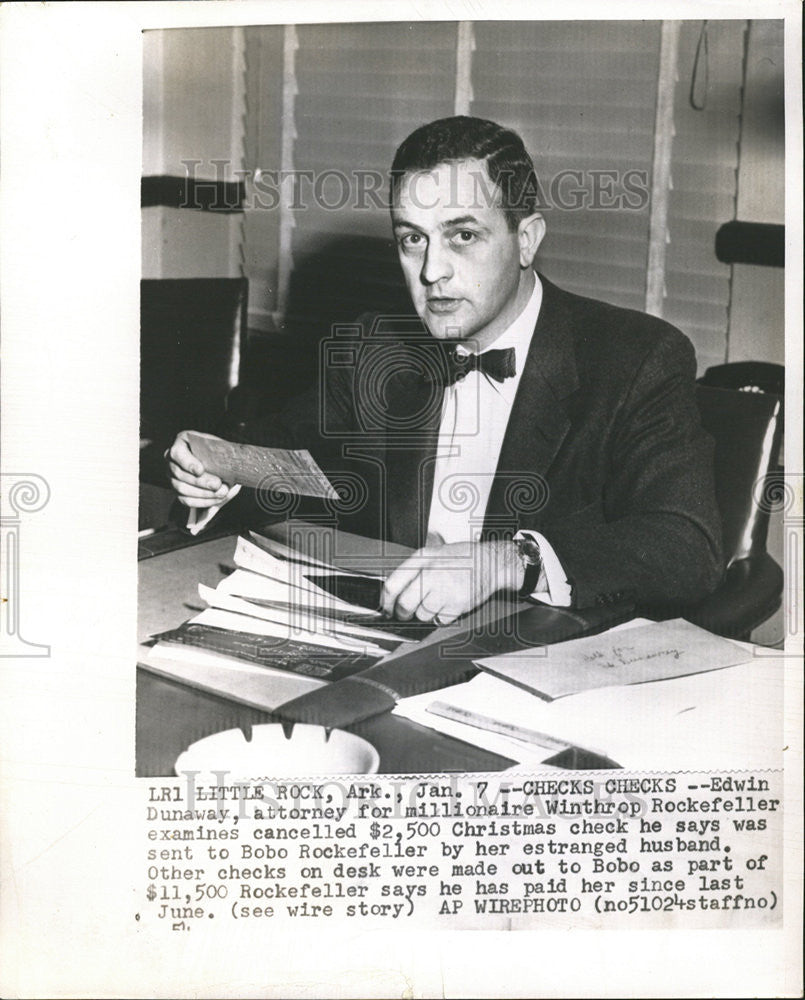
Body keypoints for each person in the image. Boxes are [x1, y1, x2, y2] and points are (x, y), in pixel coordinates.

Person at [167, 115, 723, 624]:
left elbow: (687, 546)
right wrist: (215, 475)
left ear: (525, 240)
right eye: (413, 239)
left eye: (463, 235)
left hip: (546, 654)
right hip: (391, 638)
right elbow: (287, 462)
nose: (433, 271)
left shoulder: (634, 358)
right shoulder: (374, 346)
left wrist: (508, 560)